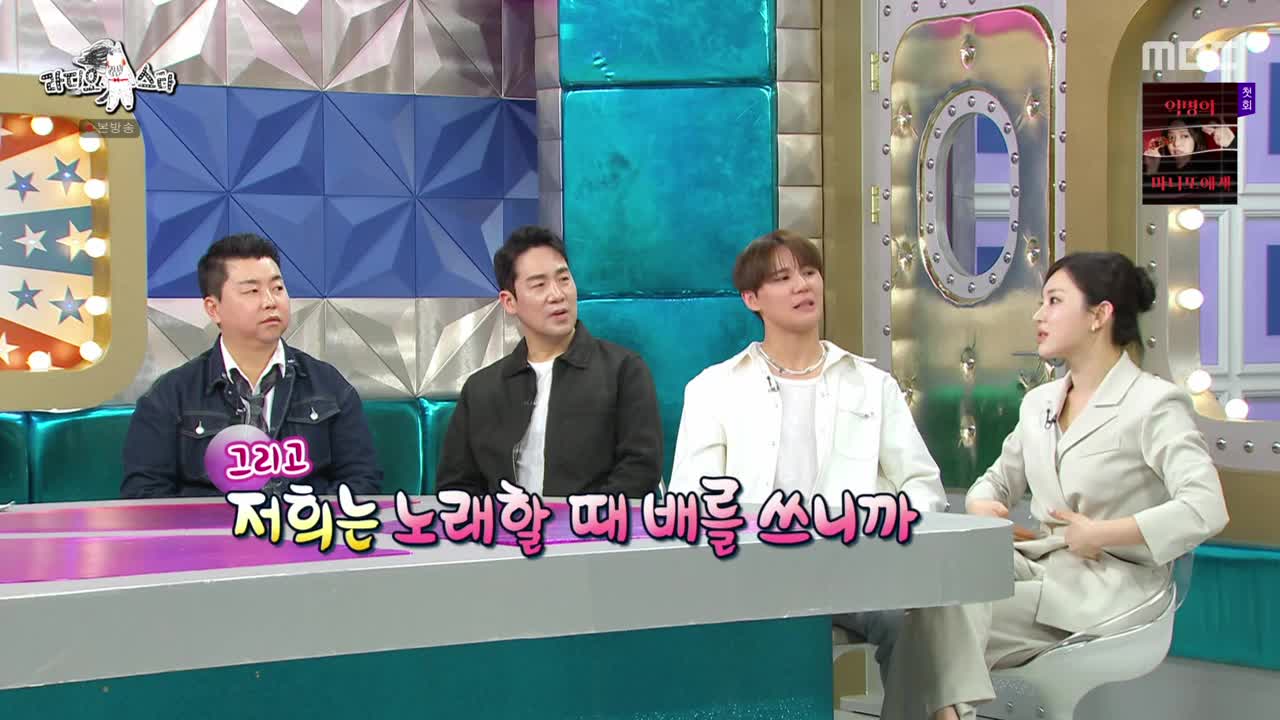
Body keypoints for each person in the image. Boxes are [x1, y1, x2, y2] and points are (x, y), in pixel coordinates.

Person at [880, 252, 1230, 720]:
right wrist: (983, 504)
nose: (1038, 315)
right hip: (1042, 567)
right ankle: (951, 713)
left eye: (1054, 301)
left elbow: (1206, 506)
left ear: (1099, 315)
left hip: (1113, 588)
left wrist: (1102, 533)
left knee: (940, 619)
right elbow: (993, 483)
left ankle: (948, 712)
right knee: (939, 588)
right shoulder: (1040, 403)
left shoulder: (1153, 404)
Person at [669, 229, 949, 684]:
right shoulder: (713, 389)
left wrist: (880, 531)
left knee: (917, 616)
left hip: (855, 567)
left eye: (810, 272)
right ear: (751, 299)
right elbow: (693, 503)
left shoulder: (871, 385)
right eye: (783, 278)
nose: (802, 285)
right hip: (750, 572)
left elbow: (922, 486)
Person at [122, 234, 383, 498]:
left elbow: (362, 479)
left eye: (277, 288)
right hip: (210, 525)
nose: (270, 301)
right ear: (213, 309)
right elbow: (145, 493)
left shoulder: (328, 385)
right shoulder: (171, 395)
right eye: (252, 291)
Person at [436, 225, 663, 498]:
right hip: (504, 524)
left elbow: (640, 470)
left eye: (564, 279)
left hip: (593, 523)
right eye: (539, 285)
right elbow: (457, 487)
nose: (557, 295)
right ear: (509, 302)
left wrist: (582, 518)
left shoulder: (623, 371)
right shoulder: (481, 390)